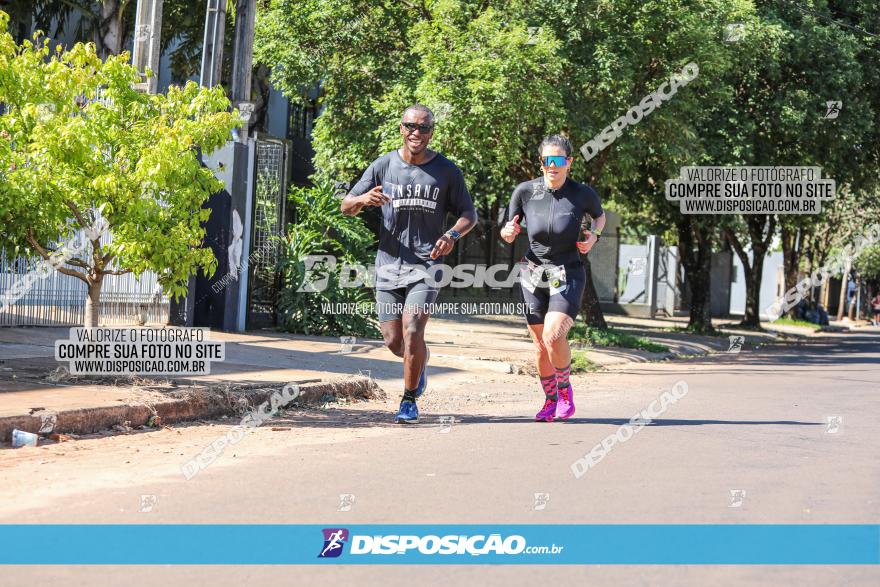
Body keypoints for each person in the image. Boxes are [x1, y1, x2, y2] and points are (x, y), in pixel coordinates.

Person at [341, 105, 477, 424]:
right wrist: (363, 201)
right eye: (411, 126)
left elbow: (469, 215)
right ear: (401, 128)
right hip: (389, 266)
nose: (417, 133)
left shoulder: (447, 171)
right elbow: (346, 205)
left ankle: (408, 399)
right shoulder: (383, 165)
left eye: (424, 128)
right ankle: (419, 364)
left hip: (427, 265)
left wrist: (452, 234)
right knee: (393, 341)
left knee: (414, 328)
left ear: (431, 132)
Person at [500, 135, 606, 422]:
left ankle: (565, 391)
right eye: (547, 161)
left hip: (567, 271)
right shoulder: (524, 191)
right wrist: (507, 233)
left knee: (553, 334)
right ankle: (549, 400)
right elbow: (509, 226)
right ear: (541, 163)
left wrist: (594, 237)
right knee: (539, 344)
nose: (552, 166)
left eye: (559, 160)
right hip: (533, 272)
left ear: (569, 163)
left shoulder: (582, 193)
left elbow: (599, 217)